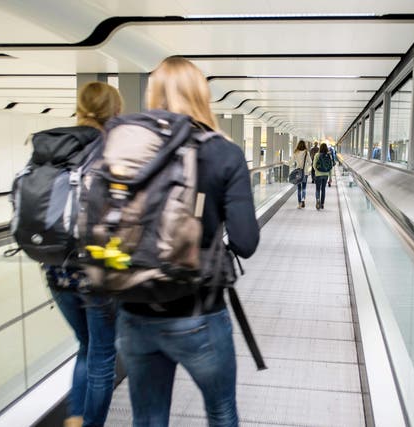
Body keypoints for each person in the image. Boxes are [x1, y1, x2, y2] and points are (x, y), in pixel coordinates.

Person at [115, 56, 260, 427]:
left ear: (153, 94)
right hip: (199, 309)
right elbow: (245, 241)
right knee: (221, 411)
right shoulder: (223, 152)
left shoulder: (126, 150)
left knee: (147, 418)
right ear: (202, 95)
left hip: (134, 310)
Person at [46, 81, 124, 427]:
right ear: (116, 113)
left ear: (80, 108)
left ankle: (76, 417)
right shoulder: (113, 152)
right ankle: (89, 422)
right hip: (98, 271)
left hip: (55, 268)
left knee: (85, 345)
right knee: (103, 354)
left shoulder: (53, 148)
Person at [290, 140, 311, 208]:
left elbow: (291, 163)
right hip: (305, 172)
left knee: (299, 188)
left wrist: (284, 162)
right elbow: (310, 162)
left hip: (298, 173)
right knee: (304, 188)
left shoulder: (296, 152)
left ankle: (299, 204)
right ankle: (303, 200)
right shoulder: (306, 153)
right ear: (304, 145)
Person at [312, 143, 333, 210]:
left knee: (318, 189)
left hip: (318, 175)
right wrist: (330, 177)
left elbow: (314, 165)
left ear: (320, 148)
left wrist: (316, 171)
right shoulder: (329, 155)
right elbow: (330, 167)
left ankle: (318, 200)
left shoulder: (317, 155)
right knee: (323, 189)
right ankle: (322, 204)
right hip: (326, 174)